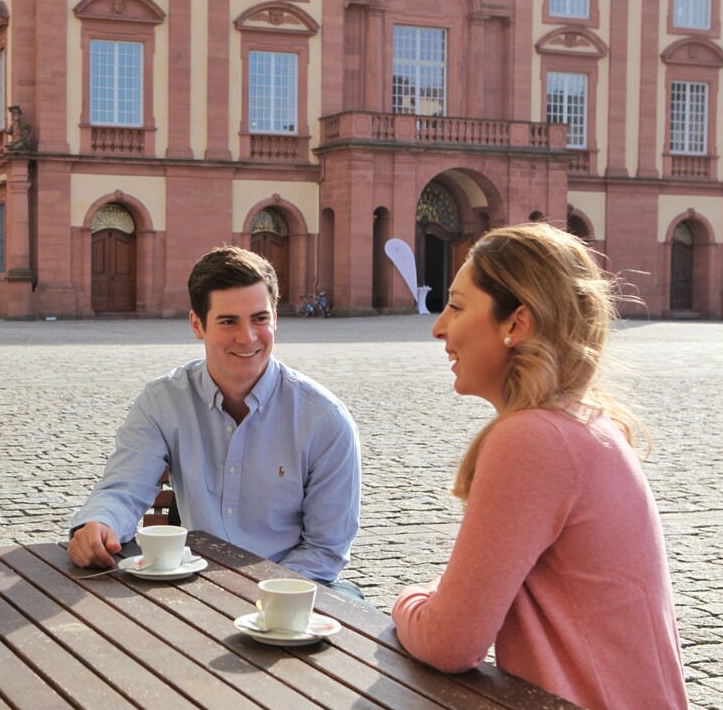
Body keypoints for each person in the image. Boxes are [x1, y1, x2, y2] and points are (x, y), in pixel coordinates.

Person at [389, 224, 688, 709]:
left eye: (458, 307)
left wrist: (409, 600)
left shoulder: (534, 437)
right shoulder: (585, 422)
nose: (439, 326)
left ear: (517, 324)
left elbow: (449, 641)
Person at [67, 246, 362, 596]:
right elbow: (123, 488)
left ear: (275, 318)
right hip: (194, 586)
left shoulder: (325, 420)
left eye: (259, 319)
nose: (247, 337)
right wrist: (100, 523)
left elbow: (324, 551)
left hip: (294, 590)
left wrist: (252, 593)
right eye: (228, 321)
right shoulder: (163, 402)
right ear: (197, 324)